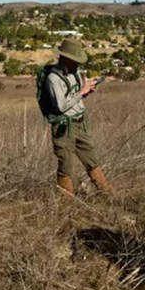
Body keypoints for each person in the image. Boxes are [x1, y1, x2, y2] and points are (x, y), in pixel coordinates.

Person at [39, 38, 113, 197]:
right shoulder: (53, 79)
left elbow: (75, 98)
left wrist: (86, 90)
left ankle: (108, 195)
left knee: (92, 161)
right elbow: (61, 106)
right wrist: (82, 92)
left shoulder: (76, 73)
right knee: (66, 166)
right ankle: (66, 204)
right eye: (75, 60)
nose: (78, 64)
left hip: (80, 124)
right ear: (65, 58)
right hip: (64, 128)